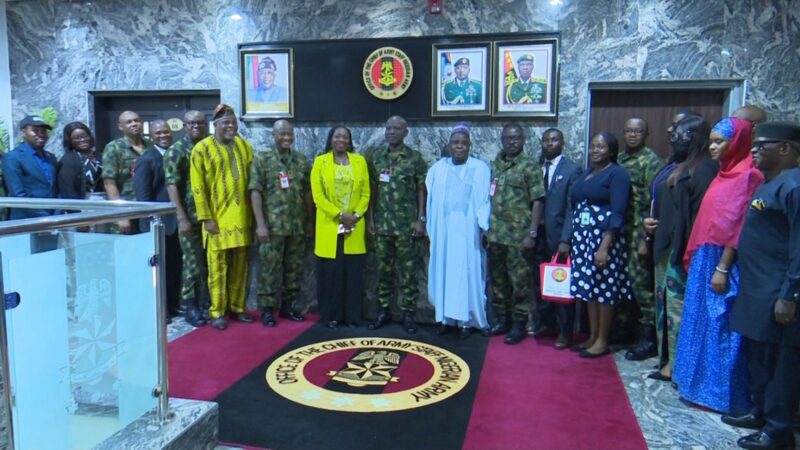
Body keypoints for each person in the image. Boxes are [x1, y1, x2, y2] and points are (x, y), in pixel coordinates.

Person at [673, 117, 765, 414]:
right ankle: (694, 385)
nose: (713, 147)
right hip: (705, 258)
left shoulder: (748, 176)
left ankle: (720, 394)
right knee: (700, 320)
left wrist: (723, 268)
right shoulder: (722, 174)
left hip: (724, 263)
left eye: (719, 142)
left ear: (737, 142)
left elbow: (738, 226)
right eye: (711, 141)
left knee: (720, 323)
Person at [726, 122, 800, 450]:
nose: (754, 150)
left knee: (781, 365)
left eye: (762, 145)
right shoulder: (770, 183)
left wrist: (791, 295)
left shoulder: (794, 186)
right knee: (759, 358)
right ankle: (760, 412)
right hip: (757, 291)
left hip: (778, 295)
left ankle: (778, 431)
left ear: (785, 148)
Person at [643, 114, 717, 381]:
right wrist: (648, 225)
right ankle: (666, 361)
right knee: (664, 307)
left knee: (678, 309)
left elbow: (699, 215)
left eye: (682, 135)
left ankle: (678, 367)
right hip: (664, 247)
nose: (675, 139)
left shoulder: (705, 167)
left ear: (697, 137)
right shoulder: (675, 164)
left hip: (682, 251)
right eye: (674, 134)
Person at [190, 104, 255, 331]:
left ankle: (237, 307)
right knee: (217, 268)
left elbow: (252, 183)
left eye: (234, 122)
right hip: (216, 220)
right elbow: (197, 188)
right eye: (226, 123)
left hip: (242, 219)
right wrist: (206, 218)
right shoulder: (202, 149)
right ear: (215, 125)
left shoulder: (244, 146)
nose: (231, 126)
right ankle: (217, 312)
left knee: (240, 267)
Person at [568, 132, 632, 358]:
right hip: (585, 240)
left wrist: (605, 246)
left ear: (612, 151)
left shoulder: (617, 174)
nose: (596, 150)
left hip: (604, 240)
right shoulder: (588, 173)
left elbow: (618, 212)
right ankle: (593, 336)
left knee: (603, 290)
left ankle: (602, 341)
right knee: (589, 289)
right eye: (593, 146)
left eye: (601, 147)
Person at [426, 123, 491, 339]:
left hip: (468, 232)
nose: (460, 147)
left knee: (466, 273)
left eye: (464, 143)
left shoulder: (480, 168)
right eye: (456, 143)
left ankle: (466, 321)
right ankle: (446, 319)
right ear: (449, 145)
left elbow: (484, 200)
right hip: (444, 231)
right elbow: (431, 201)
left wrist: (484, 227)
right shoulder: (438, 169)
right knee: (444, 272)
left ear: (470, 145)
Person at [366, 116, 428, 334]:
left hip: (407, 226)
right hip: (382, 225)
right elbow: (373, 191)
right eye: (388, 128)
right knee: (383, 270)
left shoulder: (414, 158)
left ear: (406, 132)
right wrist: (371, 219)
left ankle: (408, 313)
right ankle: (384, 310)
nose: (391, 132)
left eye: (396, 128)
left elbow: (422, 189)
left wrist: (421, 219)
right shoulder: (376, 158)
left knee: (408, 271)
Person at [250, 119, 313, 327]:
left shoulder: (302, 161)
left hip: (297, 226)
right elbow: (255, 192)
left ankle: (288, 307)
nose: (286, 138)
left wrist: (310, 221)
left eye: (289, 134)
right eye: (281, 134)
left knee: (294, 268)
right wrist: (260, 224)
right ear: (273, 136)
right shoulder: (262, 159)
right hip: (271, 227)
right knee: (270, 269)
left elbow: (307, 194)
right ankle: (267, 310)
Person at [487, 123, 545, 345]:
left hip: (519, 238)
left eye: (516, 138)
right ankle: (503, 320)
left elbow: (538, 201)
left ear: (523, 140)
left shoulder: (529, 166)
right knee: (499, 281)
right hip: (496, 235)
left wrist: (532, 232)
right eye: (508, 138)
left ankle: (519, 324)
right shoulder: (495, 165)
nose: (512, 141)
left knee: (519, 282)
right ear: (502, 140)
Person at [310, 125, 370, 328]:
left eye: (345, 137)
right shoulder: (320, 162)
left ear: (350, 140)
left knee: (353, 275)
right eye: (337, 136)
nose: (341, 140)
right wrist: (340, 215)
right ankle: (332, 316)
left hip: (354, 226)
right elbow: (318, 197)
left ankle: (352, 317)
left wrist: (355, 215)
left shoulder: (359, 161)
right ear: (331, 139)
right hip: (330, 226)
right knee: (331, 275)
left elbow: (366, 194)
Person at [530, 128, 581, 349]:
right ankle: (547, 324)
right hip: (537, 235)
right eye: (546, 140)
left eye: (554, 140)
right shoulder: (535, 166)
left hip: (558, 236)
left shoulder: (572, 169)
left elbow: (572, 207)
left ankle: (565, 332)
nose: (549, 144)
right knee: (540, 283)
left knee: (560, 284)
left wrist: (566, 240)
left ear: (562, 142)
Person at [618, 118, 664, 361]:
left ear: (646, 134)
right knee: (623, 282)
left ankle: (648, 338)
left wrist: (646, 239)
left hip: (639, 232)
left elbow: (654, 204)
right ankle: (625, 329)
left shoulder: (651, 161)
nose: (632, 135)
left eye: (638, 131)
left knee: (640, 285)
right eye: (629, 130)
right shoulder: (620, 159)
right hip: (620, 232)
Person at [165, 110, 210, 327]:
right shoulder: (176, 151)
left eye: (200, 122)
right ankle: (191, 306)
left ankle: (208, 303)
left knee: (209, 263)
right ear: (184, 125)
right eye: (192, 123)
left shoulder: (210, 147)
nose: (196, 126)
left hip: (211, 217)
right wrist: (181, 217)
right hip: (190, 218)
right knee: (192, 263)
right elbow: (172, 186)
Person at [134, 120, 182, 321]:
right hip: (157, 224)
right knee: (158, 271)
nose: (163, 135)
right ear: (151, 136)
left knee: (173, 266)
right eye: (158, 133)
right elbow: (143, 196)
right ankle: (160, 311)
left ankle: (172, 306)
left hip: (174, 223)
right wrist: (152, 223)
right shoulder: (147, 159)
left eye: (166, 132)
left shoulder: (175, 153)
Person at [102, 110, 150, 233]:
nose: (134, 124)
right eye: (129, 122)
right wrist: (121, 215)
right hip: (127, 209)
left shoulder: (150, 145)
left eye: (136, 121)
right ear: (120, 126)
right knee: (126, 250)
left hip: (147, 209)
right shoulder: (113, 148)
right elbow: (109, 183)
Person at [3, 115, 58, 219]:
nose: (41, 134)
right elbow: (18, 195)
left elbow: (56, 189)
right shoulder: (12, 158)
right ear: (24, 133)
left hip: (53, 220)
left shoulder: (51, 158)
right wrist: (45, 217)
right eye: (35, 131)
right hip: (26, 221)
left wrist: (56, 214)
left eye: (43, 131)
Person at [57, 121, 102, 200]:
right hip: (84, 206)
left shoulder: (99, 156)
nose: (82, 140)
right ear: (69, 141)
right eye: (77, 138)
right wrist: (75, 210)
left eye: (85, 136)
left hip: (105, 203)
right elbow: (68, 190)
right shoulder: (68, 160)